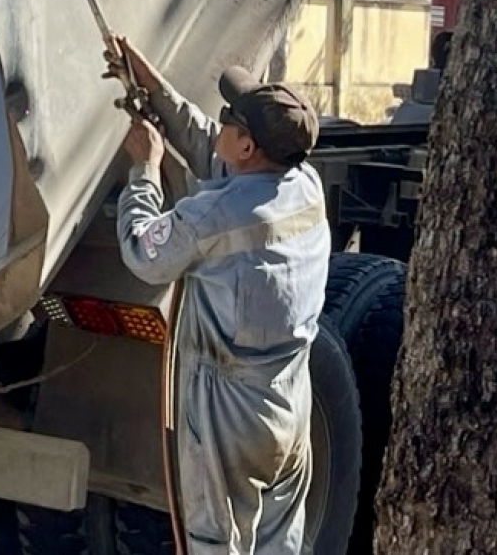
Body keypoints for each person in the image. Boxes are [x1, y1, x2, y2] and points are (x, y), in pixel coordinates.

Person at [104, 35, 331, 555]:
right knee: (278, 546)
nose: (220, 122)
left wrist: (144, 167)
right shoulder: (304, 184)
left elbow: (144, 252)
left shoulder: (212, 217)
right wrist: (153, 87)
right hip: (287, 405)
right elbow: (214, 148)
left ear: (248, 147)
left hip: (228, 415)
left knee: (213, 543)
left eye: (229, 117)